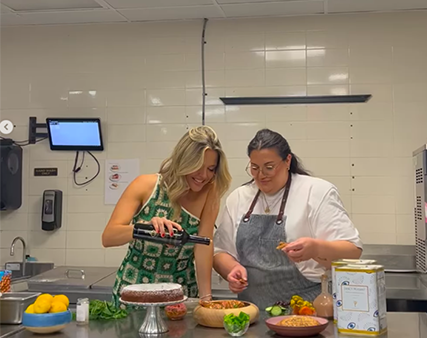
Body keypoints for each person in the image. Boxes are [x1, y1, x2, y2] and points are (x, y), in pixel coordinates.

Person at [213, 129, 363, 312]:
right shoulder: (239, 197)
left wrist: (316, 248)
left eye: (269, 167)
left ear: (287, 161)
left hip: (307, 313)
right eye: (254, 167)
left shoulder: (316, 192)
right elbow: (219, 252)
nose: (261, 175)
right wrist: (232, 270)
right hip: (250, 314)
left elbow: (352, 251)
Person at [102, 126, 231, 306]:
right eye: (198, 167)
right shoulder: (145, 185)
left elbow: (203, 245)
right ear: (184, 161)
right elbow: (108, 237)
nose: (204, 176)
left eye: (210, 169)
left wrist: (206, 299)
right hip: (136, 293)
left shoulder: (210, 192)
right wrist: (145, 229)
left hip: (181, 296)